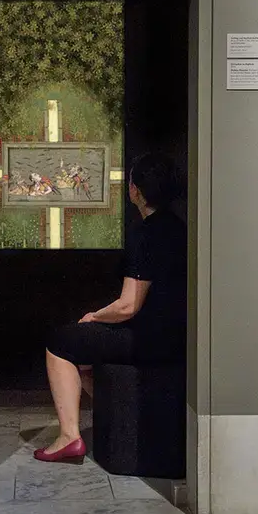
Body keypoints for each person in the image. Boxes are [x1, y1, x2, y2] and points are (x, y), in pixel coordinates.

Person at [35, 152, 187, 462]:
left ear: (135, 191)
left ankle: (69, 436)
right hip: (176, 336)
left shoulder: (145, 234)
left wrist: (93, 317)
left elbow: (128, 306)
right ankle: (118, 416)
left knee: (61, 342)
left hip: (148, 340)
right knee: (88, 352)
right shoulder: (179, 228)